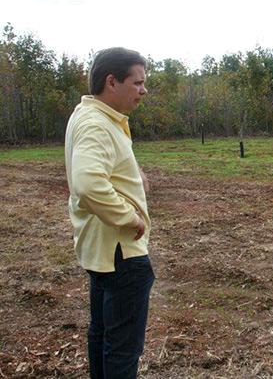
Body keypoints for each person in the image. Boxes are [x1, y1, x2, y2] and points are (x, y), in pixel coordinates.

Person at [64, 47, 154, 378]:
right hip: (122, 253)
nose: (143, 90)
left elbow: (103, 164)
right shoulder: (96, 124)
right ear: (111, 81)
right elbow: (88, 185)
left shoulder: (91, 116)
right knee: (122, 349)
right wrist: (129, 217)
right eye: (138, 82)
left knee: (103, 336)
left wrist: (135, 175)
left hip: (103, 252)